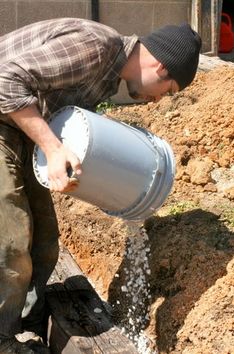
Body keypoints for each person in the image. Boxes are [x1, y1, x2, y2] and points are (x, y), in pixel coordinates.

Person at [0, 17, 201, 353]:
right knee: (11, 242)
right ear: (161, 67)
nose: (158, 101)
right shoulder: (97, 47)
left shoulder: (107, 78)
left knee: (46, 238)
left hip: (17, 127)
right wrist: (51, 147)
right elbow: (5, 81)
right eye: (168, 91)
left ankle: (27, 324)